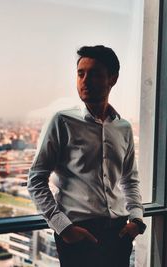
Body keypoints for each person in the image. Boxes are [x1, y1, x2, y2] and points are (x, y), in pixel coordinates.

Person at [27, 45, 146, 267]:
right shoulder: (62, 122)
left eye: (94, 74)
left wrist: (137, 220)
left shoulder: (123, 128)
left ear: (112, 79)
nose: (85, 80)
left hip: (119, 234)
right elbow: (36, 180)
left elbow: (130, 180)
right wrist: (63, 227)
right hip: (78, 235)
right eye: (81, 73)